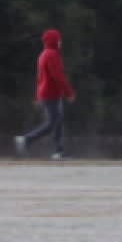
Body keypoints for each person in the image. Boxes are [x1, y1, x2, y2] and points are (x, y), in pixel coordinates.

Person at [15, 28, 75, 160]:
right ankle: (26, 140)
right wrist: (68, 92)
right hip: (51, 93)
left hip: (47, 93)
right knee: (53, 123)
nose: (60, 42)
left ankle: (59, 151)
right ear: (53, 41)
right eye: (58, 39)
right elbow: (57, 76)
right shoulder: (52, 54)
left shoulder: (42, 54)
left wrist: (37, 96)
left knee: (57, 122)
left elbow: (39, 78)